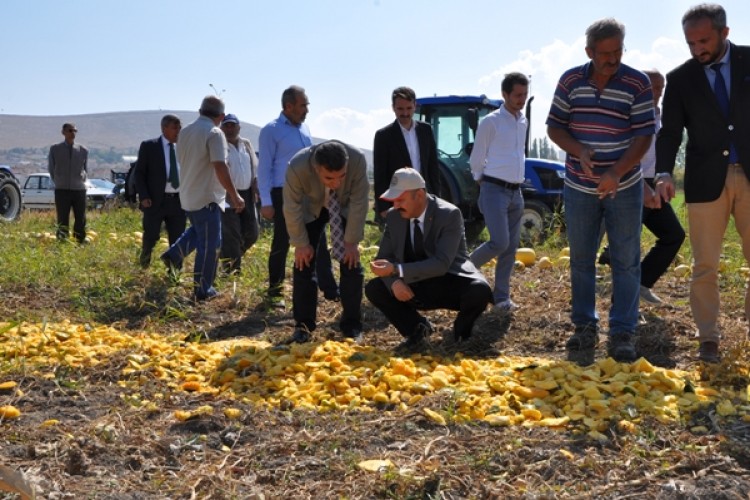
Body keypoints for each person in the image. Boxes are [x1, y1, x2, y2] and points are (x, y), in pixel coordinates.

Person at [546, 18, 655, 363]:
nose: (613, 59)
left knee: (626, 259)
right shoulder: (571, 81)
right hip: (579, 185)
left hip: (625, 185)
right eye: (605, 53)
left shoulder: (636, 82)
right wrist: (579, 150)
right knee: (581, 258)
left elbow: (643, 136)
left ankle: (623, 330)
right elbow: (554, 127)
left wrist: (616, 172)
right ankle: (584, 326)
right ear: (589, 52)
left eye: (618, 51)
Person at [655, 4, 750, 363]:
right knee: (705, 264)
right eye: (690, 42)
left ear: (724, 33)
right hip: (705, 181)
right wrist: (663, 172)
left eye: (703, 40)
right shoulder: (679, 79)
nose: (697, 49)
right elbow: (669, 133)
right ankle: (708, 338)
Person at [366, 168, 493, 354]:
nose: (395, 204)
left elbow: (442, 263)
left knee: (479, 291)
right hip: (414, 284)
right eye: (393, 200)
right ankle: (418, 330)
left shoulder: (449, 214)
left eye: (400, 199)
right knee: (375, 289)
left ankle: (460, 335)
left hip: (448, 280)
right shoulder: (394, 216)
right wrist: (394, 282)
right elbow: (383, 258)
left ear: (419, 195)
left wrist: (397, 270)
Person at [281, 141, 369, 344]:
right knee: (303, 263)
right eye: (329, 177)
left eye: (342, 176)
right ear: (316, 168)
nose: (336, 183)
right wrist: (301, 243)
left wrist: (351, 241)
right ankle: (304, 326)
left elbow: (359, 201)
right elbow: (291, 206)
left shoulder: (357, 160)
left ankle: (352, 325)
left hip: (345, 207)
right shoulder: (297, 166)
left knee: (351, 261)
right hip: (310, 208)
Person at [258, 85, 337, 308]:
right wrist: (266, 202)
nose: (307, 110)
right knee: (282, 242)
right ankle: (275, 292)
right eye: (303, 105)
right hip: (283, 193)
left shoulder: (305, 130)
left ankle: (330, 289)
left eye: (307, 105)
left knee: (319, 239)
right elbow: (264, 168)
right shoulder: (270, 131)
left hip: (309, 194)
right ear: (288, 106)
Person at [160, 96, 245, 301]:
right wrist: (234, 195)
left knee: (200, 232)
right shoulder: (215, 133)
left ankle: (174, 255)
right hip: (206, 197)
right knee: (211, 244)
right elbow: (219, 166)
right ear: (221, 116)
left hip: (188, 194)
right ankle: (202, 289)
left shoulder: (186, 132)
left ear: (200, 110)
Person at [468, 72, 529, 312]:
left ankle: (501, 298)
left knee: (511, 248)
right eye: (517, 95)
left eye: (524, 94)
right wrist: (481, 180)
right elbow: (476, 158)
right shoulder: (491, 122)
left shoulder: (522, 122)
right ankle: (463, 269)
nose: (521, 99)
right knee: (499, 242)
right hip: (494, 188)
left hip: (516, 192)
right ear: (505, 94)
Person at [373, 86, 441, 221]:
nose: (405, 113)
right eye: (400, 109)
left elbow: (433, 167)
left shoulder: (426, 130)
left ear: (415, 106)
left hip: (423, 197)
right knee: (402, 240)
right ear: (393, 108)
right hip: (398, 200)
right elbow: (380, 174)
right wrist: (384, 207)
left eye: (409, 108)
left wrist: (436, 198)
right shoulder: (384, 136)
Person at [134, 114, 187, 268]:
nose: (178, 131)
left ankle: (175, 273)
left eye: (179, 128)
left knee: (177, 239)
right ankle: (144, 264)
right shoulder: (150, 146)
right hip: (155, 201)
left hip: (178, 201)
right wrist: (143, 196)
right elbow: (139, 173)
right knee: (151, 236)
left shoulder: (183, 147)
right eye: (174, 128)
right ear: (164, 128)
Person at [219, 113, 259, 274]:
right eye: (226, 126)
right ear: (221, 128)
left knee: (252, 233)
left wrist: (255, 188)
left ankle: (229, 256)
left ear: (238, 127)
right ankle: (231, 271)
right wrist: (231, 194)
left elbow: (253, 168)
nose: (229, 129)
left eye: (232, 125)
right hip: (228, 194)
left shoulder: (246, 144)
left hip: (247, 193)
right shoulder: (219, 145)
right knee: (232, 234)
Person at [48, 123, 89, 243]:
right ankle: (62, 240)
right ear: (63, 132)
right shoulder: (55, 149)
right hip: (62, 190)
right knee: (62, 217)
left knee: (80, 217)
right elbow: (51, 168)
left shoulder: (83, 150)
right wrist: (59, 180)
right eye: (70, 130)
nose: (73, 133)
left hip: (79, 190)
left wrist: (82, 179)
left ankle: (80, 240)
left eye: (75, 131)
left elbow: (85, 168)